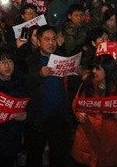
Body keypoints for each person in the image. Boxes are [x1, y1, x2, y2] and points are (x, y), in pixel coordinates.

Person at [24, 25, 72, 167]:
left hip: (59, 117)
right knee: (34, 156)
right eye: (47, 39)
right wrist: (39, 75)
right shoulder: (30, 61)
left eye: (54, 39)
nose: (51, 43)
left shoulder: (63, 58)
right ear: (38, 42)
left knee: (58, 156)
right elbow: (24, 84)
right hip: (38, 118)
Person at [71, 54, 117, 166]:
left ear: (108, 71)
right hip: (86, 138)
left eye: (98, 69)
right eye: (93, 68)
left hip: (107, 142)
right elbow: (76, 102)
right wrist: (79, 113)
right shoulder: (88, 84)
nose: (94, 71)